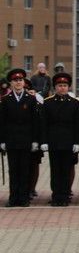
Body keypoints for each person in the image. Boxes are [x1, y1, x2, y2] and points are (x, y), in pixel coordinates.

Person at [39, 72, 79, 206]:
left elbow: (78, 124)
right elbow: (43, 124)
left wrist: (77, 142)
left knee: (66, 169)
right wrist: (44, 141)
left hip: (69, 141)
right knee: (55, 170)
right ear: (55, 87)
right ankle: (56, 195)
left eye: (64, 85)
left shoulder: (74, 103)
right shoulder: (48, 103)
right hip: (54, 141)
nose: (62, 88)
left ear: (68, 87)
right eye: (59, 85)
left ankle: (65, 195)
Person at [0, 69, 39, 207]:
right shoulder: (5, 100)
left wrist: (35, 140)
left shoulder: (30, 99)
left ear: (24, 82)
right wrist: (2, 140)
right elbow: (2, 122)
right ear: (11, 83)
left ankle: (23, 198)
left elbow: (35, 121)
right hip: (11, 140)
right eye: (15, 80)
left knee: (24, 169)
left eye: (20, 80)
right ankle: (13, 198)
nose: (18, 82)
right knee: (13, 169)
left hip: (26, 139)